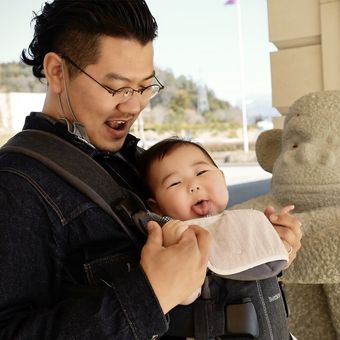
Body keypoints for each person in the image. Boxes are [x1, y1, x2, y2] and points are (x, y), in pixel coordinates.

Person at [0, 1, 302, 339]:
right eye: (117, 87)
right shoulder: (16, 184)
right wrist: (151, 294)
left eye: (145, 87)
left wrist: (264, 249)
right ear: (57, 72)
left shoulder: (139, 161)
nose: (134, 105)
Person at [138, 137, 299, 338]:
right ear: (156, 206)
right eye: (175, 183)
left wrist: (274, 233)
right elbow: (185, 296)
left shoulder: (243, 221)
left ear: (222, 178)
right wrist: (175, 248)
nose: (193, 185)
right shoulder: (176, 239)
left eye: (201, 172)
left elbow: (274, 264)